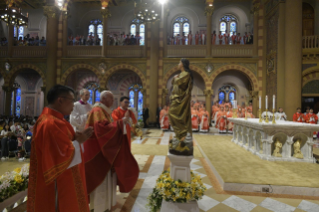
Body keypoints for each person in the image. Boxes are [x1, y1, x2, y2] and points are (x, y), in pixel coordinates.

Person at [27, 85, 93, 212]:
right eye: (72, 100)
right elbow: (58, 158)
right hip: (58, 185)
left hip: (66, 178)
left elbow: (61, 145)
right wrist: (79, 141)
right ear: (60, 100)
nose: (74, 105)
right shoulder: (50, 123)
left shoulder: (56, 120)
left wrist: (75, 137)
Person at [84, 91, 139, 212]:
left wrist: (119, 123)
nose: (113, 101)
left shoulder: (103, 111)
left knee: (107, 179)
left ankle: (106, 205)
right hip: (98, 152)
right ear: (104, 99)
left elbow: (107, 126)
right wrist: (120, 123)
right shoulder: (98, 111)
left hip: (101, 149)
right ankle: (100, 207)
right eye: (112, 99)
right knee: (100, 179)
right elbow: (101, 129)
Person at [168, 58, 194, 156]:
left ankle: (182, 134)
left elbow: (179, 82)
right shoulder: (181, 75)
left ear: (182, 64)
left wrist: (175, 78)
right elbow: (174, 83)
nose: (178, 64)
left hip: (180, 99)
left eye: (179, 63)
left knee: (173, 114)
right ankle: (179, 136)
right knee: (173, 114)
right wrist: (175, 78)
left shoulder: (186, 74)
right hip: (176, 98)